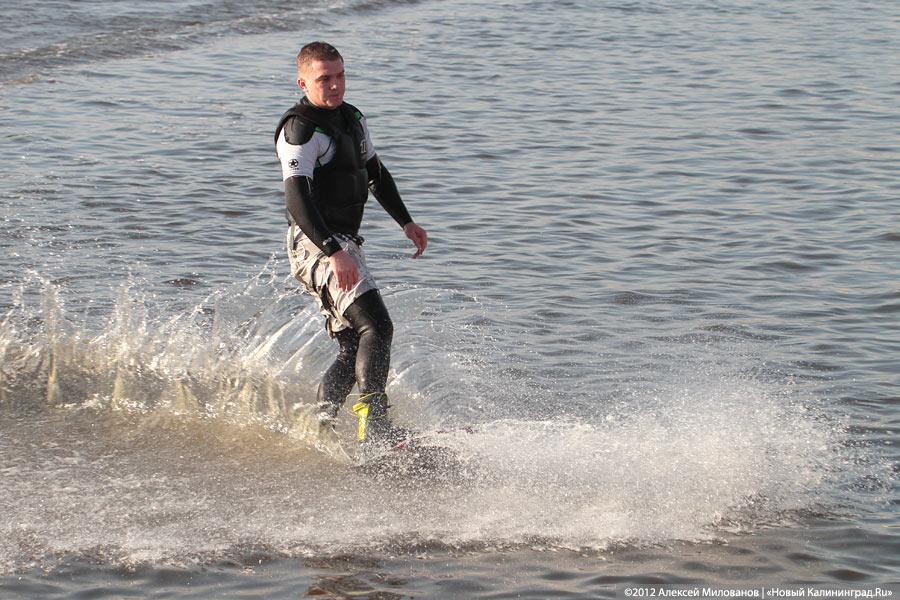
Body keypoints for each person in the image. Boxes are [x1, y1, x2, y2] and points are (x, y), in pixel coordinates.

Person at [274, 41, 427, 445]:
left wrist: (406, 221)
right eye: (325, 78)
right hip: (315, 244)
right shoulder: (300, 129)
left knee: (351, 347)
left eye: (340, 75)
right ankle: (374, 425)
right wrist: (333, 251)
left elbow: (373, 171)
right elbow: (297, 197)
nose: (335, 85)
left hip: (343, 242)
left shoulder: (352, 118)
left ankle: (320, 428)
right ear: (303, 82)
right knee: (377, 326)